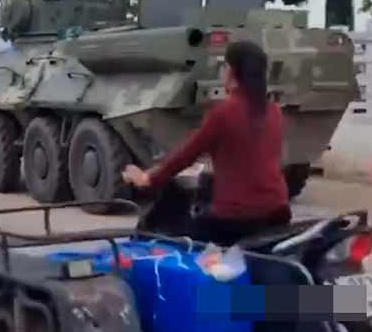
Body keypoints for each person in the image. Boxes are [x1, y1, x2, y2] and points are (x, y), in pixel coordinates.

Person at [121, 40, 290, 246]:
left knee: (175, 240)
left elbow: (185, 156)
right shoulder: (275, 112)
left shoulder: (224, 113)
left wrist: (148, 178)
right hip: (278, 212)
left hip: (236, 219)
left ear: (231, 72)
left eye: (224, 67)